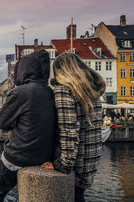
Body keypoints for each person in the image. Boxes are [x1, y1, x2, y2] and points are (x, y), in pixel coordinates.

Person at [0, 50, 56, 202]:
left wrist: (15, 121)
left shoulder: (21, 92)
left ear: (23, 71)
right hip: (43, 157)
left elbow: (2, 123)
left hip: (18, 156)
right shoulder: (50, 92)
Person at [41, 52, 105, 202]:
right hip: (91, 160)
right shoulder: (91, 90)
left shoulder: (64, 91)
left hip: (76, 164)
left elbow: (69, 131)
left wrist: (62, 164)